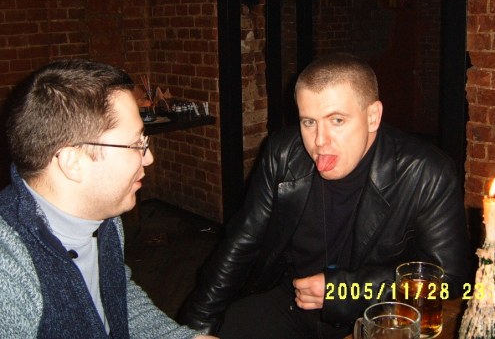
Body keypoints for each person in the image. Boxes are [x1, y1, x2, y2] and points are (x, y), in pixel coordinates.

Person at [176, 54, 471, 338]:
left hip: (377, 315)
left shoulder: (426, 172)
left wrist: (346, 290)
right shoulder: (283, 153)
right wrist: (195, 327)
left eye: (337, 120)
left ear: (373, 117)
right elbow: (242, 242)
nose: (319, 140)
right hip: (291, 301)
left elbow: (450, 280)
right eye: (309, 122)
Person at [0, 59, 216, 339]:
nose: (149, 158)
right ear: (73, 162)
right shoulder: (8, 270)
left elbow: (115, 296)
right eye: (136, 144)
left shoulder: (102, 217)